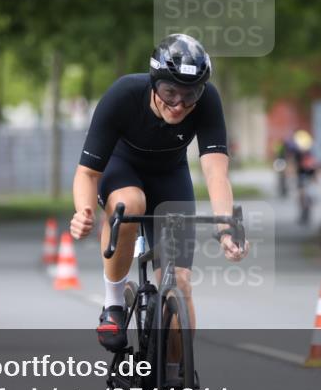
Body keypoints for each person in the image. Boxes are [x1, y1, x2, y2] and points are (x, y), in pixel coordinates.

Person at [69, 34, 248, 352]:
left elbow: (216, 172)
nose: (179, 104)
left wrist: (225, 228)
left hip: (170, 176)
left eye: (190, 95)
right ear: (154, 83)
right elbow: (87, 173)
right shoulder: (124, 94)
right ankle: (113, 304)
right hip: (121, 169)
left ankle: (177, 373)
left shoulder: (207, 101)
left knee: (180, 283)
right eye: (169, 92)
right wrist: (84, 211)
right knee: (130, 203)